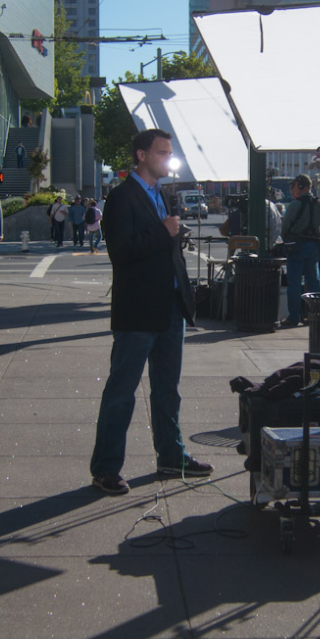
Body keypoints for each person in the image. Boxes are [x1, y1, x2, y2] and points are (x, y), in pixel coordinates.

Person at [90, 128, 212, 494]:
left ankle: (171, 456)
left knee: (167, 391)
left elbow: (165, 245)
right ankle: (106, 468)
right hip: (138, 311)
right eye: (162, 153)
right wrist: (163, 232)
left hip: (170, 307)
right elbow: (121, 252)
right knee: (121, 392)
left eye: (170, 153)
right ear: (141, 155)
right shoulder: (121, 198)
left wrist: (173, 235)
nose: (168, 159)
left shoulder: (164, 195)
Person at [279, 174, 320, 327]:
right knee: (314, 282)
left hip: (296, 246)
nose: (291, 190)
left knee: (294, 283)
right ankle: (316, 314)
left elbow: (284, 228)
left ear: (300, 186)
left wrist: (286, 239)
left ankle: (294, 316)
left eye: (293, 186)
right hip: (314, 247)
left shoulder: (295, 205)